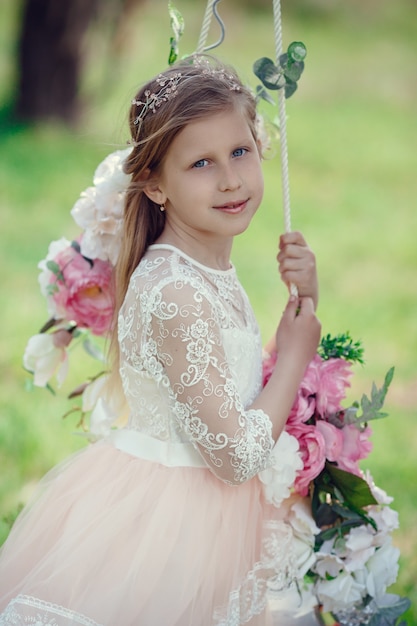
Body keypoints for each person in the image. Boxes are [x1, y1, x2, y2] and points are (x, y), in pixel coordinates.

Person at [0, 55, 320, 625]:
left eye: (240, 152)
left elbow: (225, 389)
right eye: (201, 163)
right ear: (154, 185)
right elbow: (236, 456)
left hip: (213, 517)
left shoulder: (202, 267)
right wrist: (293, 357)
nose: (229, 179)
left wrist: (305, 300)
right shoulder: (175, 292)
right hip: (169, 528)